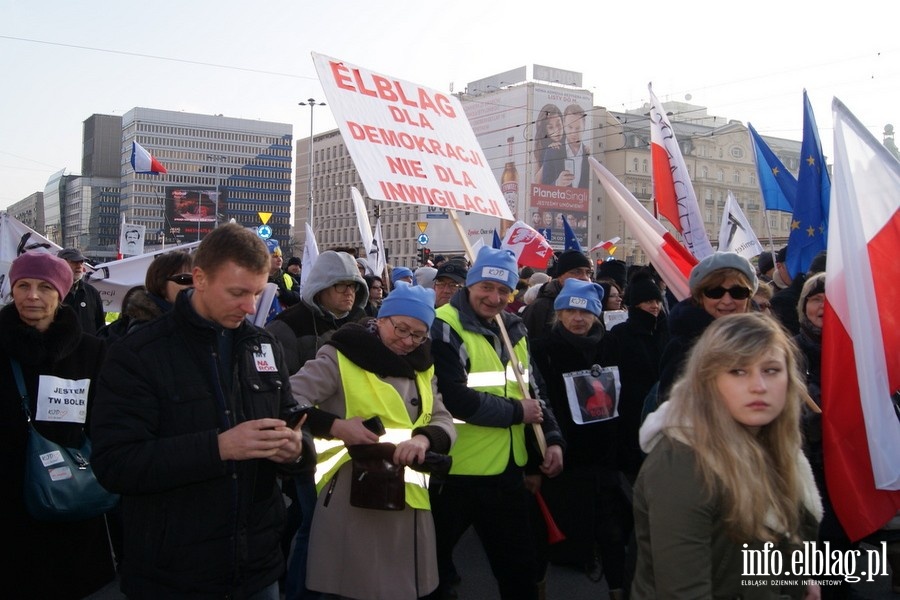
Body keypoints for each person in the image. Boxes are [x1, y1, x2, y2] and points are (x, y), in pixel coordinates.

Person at [92, 223, 306, 599]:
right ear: (200, 278)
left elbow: (290, 419)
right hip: (173, 574)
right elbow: (116, 463)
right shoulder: (138, 354)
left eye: (258, 293)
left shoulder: (263, 345)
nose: (251, 306)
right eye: (238, 292)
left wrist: (296, 450)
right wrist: (219, 447)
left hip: (257, 567)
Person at [632, 313, 822, 598]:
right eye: (738, 371)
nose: (759, 385)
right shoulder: (683, 464)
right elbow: (684, 592)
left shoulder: (775, 443)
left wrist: (799, 581)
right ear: (708, 382)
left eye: (771, 370)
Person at [291, 283, 456, 599]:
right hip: (354, 497)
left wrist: (423, 440)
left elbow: (442, 418)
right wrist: (336, 426)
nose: (408, 341)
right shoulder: (340, 355)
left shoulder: (423, 364)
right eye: (401, 329)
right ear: (381, 318)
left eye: (419, 334)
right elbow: (287, 398)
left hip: (410, 498)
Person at [428, 246, 565, 600]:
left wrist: (551, 439)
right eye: (486, 287)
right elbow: (452, 398)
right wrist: (517, 412)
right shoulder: (444, 325)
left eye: (503, 291)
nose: (494, 297)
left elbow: (535, 390)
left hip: (506, 474)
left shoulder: (514, 330)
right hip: (454, 472)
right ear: (469, 286)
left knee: (519, 573)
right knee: (432, 571)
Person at [1, 251, 114, 600]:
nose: (32, 295)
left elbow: (107, 421)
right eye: (23, 285)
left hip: (72, 499)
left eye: (44, 287)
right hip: (8, 499)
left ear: (62, 293)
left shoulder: (93, 352)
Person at [265, 249, 368, 600]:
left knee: (336, 528)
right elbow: (281, 391)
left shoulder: (364, 326)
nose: (348, 294)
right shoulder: (286, 327)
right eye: (340, 286)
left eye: (353, 286)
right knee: (315, 527)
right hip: (308, 444)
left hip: (353, 445)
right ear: (320, 287)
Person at [532, 279, 632, 597]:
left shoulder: (612, 346)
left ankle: (618, 590)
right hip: (563, 459)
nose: (578, 318)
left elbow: (625, 400)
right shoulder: (542, 349)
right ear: (559, 313)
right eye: (571, 311)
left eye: (586, 312)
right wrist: (538, 458)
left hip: (604, 459)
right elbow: (538, 402)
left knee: (613, 536)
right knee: (553, 537)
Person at [657, 251, 758, 403]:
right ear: (700, 297)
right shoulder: (683, 347)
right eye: (715, 292)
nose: (727, 300)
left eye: (738, 292)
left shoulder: (762, 340)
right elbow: (671, 409)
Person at [600, 270, 669, 483]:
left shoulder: (665, 332)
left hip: (662, 411)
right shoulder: (620, 335)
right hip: (631, 412)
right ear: (636, 304)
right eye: (648, 301)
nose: (654, 306)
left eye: (657, 301)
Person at [97, 250, 193, 342]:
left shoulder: (196, 322)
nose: (194, 285)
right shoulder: (144, 332)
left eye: (198, 279)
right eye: (185, 279)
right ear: (161, 284)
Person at [522, 249, 593, 343]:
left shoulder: (593, 304)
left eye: (588, 272)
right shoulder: (540, 307)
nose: (584, 277)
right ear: (560, 276)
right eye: (576, 272)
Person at [57, 247, 105, 334]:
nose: (79, 266)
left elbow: (100, 327)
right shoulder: (51, 291)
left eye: (81, 262)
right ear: (61, 263)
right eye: (74, 262)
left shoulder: (92, 292)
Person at [540, 104, 590, 188]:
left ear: (584, 127)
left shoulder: (589, 154)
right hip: (558, 200)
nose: (573, 132)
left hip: (582, 201)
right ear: (564, 124)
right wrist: (557, 183)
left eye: (578, 128)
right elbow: (543, 188)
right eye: (570, 127)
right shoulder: (552, 152)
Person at [533, 103, 564, 184]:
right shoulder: (541, 147)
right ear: (545, 130)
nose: (556, 130)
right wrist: (548, 154)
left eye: (558, 124)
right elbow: (537, 181)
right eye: (551, 127)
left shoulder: (570, 141)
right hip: (548, 194)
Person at [268, 241, 302, 310]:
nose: (279, 259)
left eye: (280, 256)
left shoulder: (288, 278)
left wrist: (281, 293)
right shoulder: (256, 278)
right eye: (275, 256)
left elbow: (299, 297)